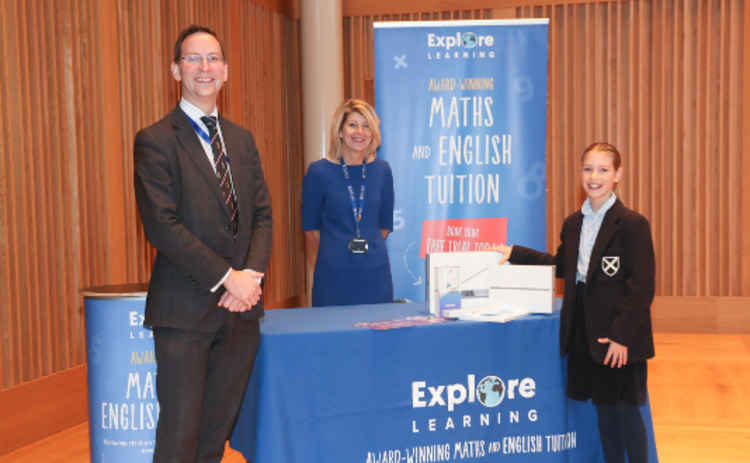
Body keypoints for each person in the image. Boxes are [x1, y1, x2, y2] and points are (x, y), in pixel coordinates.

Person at [133, 25, 272, 463]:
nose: (204, 68)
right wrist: (228, 278)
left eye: (212, 58)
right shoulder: (155, 141)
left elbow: (263, 217)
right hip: (184, 315)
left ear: (226, 71)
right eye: (193, 59)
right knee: (179, 439)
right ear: (176, 70)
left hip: (240, 315)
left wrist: (249, 277)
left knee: (214, 439)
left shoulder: (243, 140)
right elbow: (163, 226)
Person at [497, 142, 655, 463]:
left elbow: (641, 288)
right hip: (586, 333)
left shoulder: (632, 225)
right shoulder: (573, 223)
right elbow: (563, 265)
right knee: (605, 415)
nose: (594, 176)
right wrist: (515, 253)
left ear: (618, 175)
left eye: (603, 169)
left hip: (618, 336)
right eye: (587, 169)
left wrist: (621, 337)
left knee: (626, 415)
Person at [302, 98, 394, 306]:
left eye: (366, 126)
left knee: (377, 335)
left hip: (375, 276)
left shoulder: (382, 171)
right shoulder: (319, 172)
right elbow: (311, 229)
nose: (359, 132)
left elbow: (384, 226)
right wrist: (335, 251)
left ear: (373, 134)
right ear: (340, 131)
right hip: (333, 276)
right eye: (352, 125)